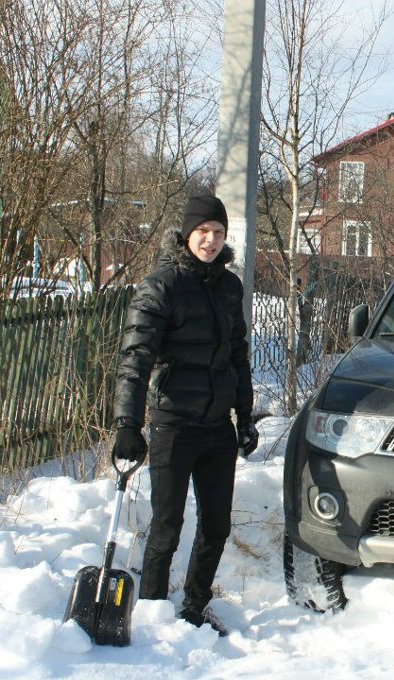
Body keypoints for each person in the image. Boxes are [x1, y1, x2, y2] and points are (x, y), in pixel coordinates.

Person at [111, 194, 259, 633]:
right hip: (173, 422)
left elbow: (238, 354)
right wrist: (127, 424)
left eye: (217, 233)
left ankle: (194, 608)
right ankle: (154, 609)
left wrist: (245, 415)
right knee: (167, 524)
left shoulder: (229, 288)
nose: (210, 241)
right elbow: (135, 357)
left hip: (217, 426)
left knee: (216, 525)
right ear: (187, 234)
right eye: (202, 233)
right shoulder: (161, 286)